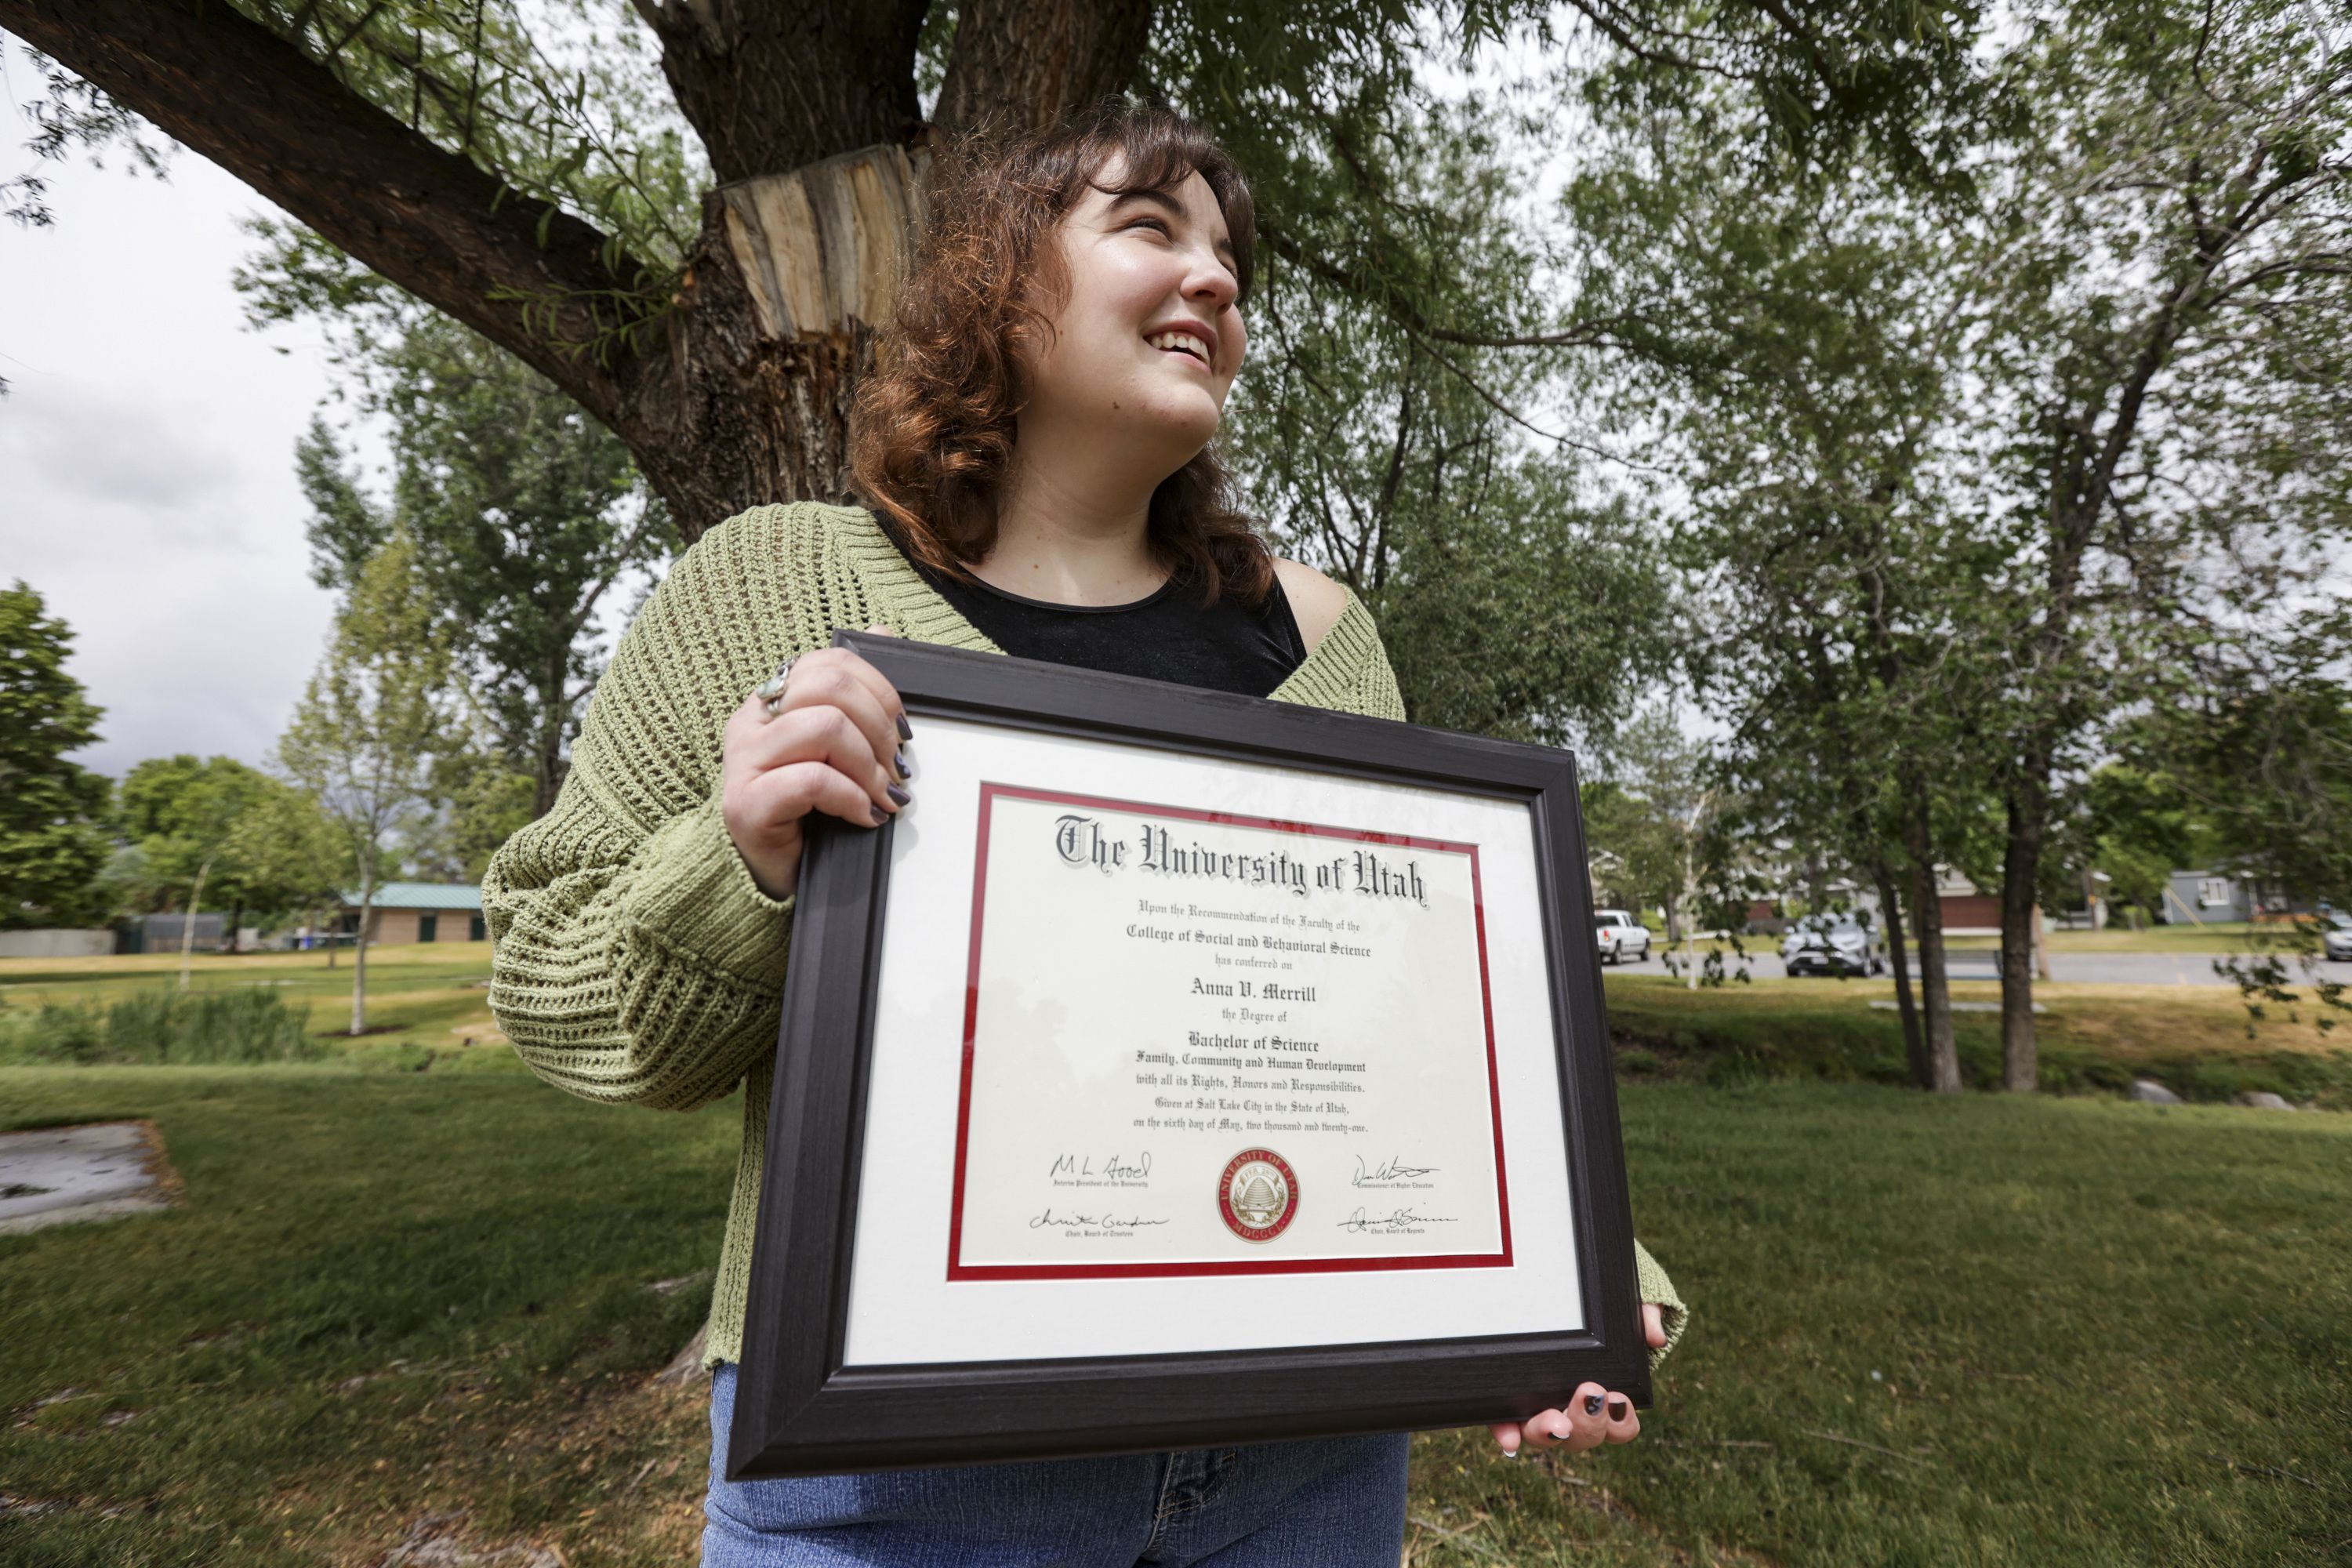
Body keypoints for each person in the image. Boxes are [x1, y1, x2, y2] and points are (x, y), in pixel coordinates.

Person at [484, 98, 1687, 1568]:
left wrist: (1569, 1278)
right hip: (902, 1479)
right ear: (1002, 279)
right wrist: (744, 868)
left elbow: (1433, 1027)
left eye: (1231, 253)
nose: (1221, 278)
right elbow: (560, 997)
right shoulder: (772, 586)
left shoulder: (1324, 639)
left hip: (1304, 1468)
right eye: (1150, 227)